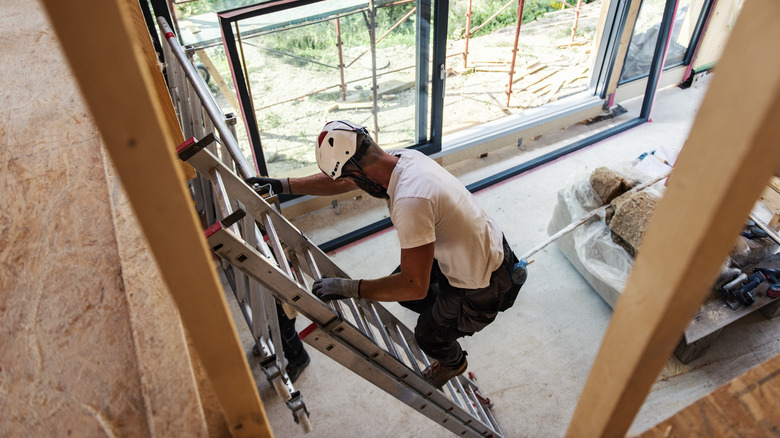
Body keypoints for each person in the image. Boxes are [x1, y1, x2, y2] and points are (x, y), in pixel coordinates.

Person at [247, 120, 524, 388]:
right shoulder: (402, 158)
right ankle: (448, 311)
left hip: (483, 284)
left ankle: (454, 362)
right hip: (486, 244)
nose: (349, 182)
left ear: (357, 173)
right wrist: (282, 185)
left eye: (349, 177)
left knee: (427, 333)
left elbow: (414, 286)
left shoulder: (411, 201)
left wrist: (349, 287)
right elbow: (344, 182)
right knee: (403, 289)